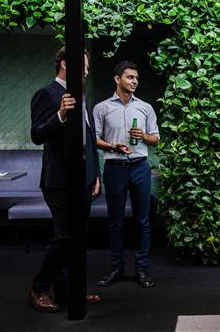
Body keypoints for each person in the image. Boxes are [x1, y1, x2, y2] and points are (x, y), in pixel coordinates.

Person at [28, 46, 102, 312]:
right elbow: (37, 134)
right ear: (64, 64)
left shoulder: (82, 97)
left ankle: (69, 293)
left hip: (83, 180)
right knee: (65, 237)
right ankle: (38, 287)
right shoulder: (46, 94)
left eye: (87, 65)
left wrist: (95, 175)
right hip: (59, 181)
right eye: (82, 63)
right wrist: (59, 115)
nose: (86, 69)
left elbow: (89, 141)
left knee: (76, 238)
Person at [93, 61, 160, 289]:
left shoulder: (145, 107)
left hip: (141, 167)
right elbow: (95, 139)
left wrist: (142, 136)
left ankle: (142, 269)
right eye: (130, 77)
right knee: (116, 222)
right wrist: (113, 147)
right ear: (117, 79)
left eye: (136, 78)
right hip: (115, 169)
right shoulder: (101, 108)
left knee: (143, 221)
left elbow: (156, 139)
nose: (134, 82)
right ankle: (116, 268)